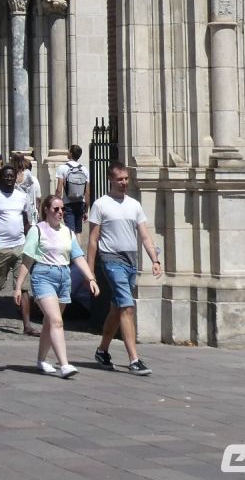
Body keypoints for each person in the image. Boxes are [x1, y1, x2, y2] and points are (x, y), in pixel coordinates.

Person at [85, 161, 163, 376]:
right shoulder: (101, 205)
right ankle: (134, 360)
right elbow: (93, 240)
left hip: (131, 261)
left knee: (117, 308)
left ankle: (102, 351)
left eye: (126, 179)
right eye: (120, 179)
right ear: (111, 180)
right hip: (111, 260)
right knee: (128, 307)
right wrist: (90, 272)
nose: (124, 183)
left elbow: (145, 236)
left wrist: (155, 260)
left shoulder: (134, 205)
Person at [14, 196, 99, 376]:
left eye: (62, 209)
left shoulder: (67, 232)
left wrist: (91, 278)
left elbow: (77, 257)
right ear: (46, 210)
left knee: (49, 323)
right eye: (56, 209)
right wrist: (18, 286)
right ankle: (64, 364)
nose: (60, 212)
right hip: (43, 276)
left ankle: (41, 360)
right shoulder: (37, 231)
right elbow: (27, 259)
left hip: (63, 278)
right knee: (57, 321)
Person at [0, 164, 34, 334]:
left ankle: (27, 325)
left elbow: (26, 219)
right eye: (6, 176)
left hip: (20, 246)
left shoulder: (22, 196)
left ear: (16, 177)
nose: (9, 179)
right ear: (1, 178)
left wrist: (28, 240)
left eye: (11, 176)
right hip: (1, 247)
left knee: (23, 287)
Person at [54, 144, 91, 233]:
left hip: (68, 203)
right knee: (78, 232)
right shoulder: (84, 169)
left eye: (68, 151)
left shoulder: (62, 168)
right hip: (80, 203)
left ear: (70, 153)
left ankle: (73, 247)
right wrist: (86, 210)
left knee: (70, 232)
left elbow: (59, 190)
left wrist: (56, 206)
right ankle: (78, 247)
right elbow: (87, 193)